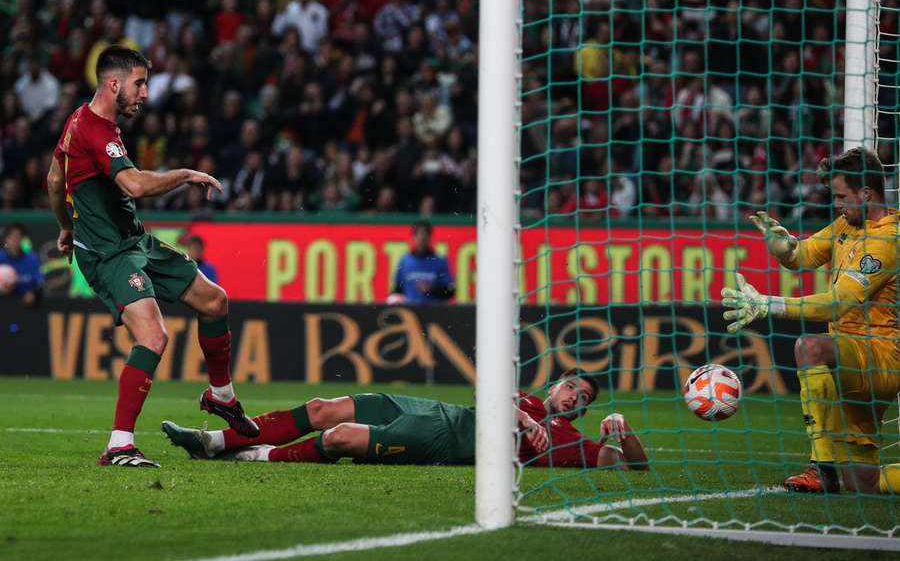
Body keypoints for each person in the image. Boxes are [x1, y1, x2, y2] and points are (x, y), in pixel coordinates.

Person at [47, 46, 258, 469]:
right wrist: (185, 174)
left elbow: (54, 178)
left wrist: (65, 226)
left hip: (135, 241)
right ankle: (119, 445)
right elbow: (136, 186)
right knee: (154, 336)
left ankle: (221, 397)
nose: (145, 92)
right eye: (139, 83)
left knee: (215, 301)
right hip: (107, 254)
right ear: (113, 83)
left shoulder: (84, 122)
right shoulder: (93, 130)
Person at [721, 146, 899, 494]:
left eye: (842, 196)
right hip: (851, 361)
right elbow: (802, 254)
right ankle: (837, 472)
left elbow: (836, 305)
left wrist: (767, 305)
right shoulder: (846, 225)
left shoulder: (887, 241)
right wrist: (782, 244)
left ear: (866, 193)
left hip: (879, 358)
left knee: (810, 347)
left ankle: (822, 468)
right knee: (865, 484)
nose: (837, 204)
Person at [161, 368, 649, 471]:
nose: (571, 398)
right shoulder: (527, 400)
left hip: (443, 439)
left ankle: (256, 455)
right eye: (569, 387)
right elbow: (488, 392)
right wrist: (521, 415)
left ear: (582, 410)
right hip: (435, 410)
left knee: (338, 437)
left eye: (580, 398)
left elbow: (625, 466)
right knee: (319, 409)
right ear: (553, 385)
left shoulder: (566, 441)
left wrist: (621, 429)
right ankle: (218, 442)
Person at [388, 221, 455, 303]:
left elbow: (450, 291)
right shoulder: (405, 261)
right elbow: (398, 289)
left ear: (430, 238)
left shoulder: (439, 261)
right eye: (419, 236)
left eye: (425, 237)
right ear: (413, 237)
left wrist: (431, 289)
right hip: (411, 312)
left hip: (434, 311)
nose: (422, 240)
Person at [0, 223, 44, 306]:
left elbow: (40, 282)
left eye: (18, 237)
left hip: (25, 306)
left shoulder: (32, 259)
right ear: (6, 239)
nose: (15, 240)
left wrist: (33, 293)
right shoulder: (1, 257)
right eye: (12, 237)